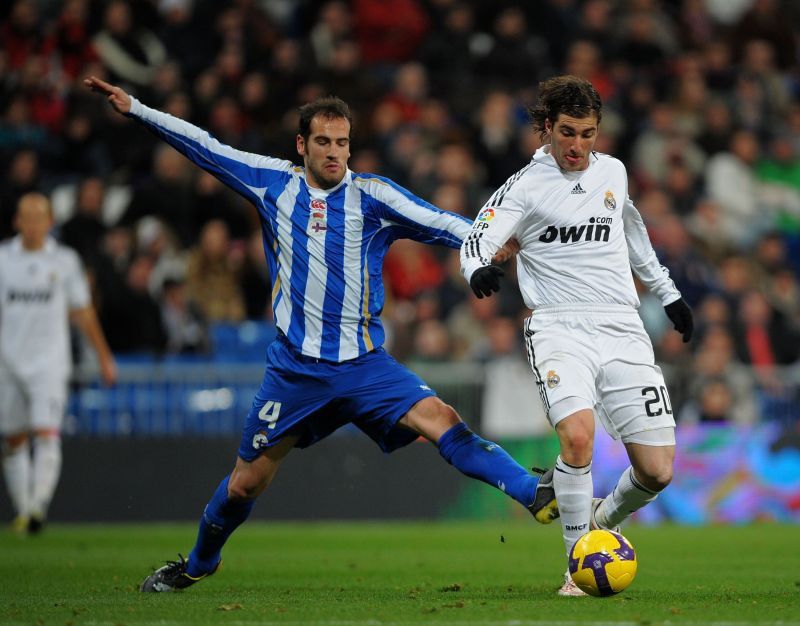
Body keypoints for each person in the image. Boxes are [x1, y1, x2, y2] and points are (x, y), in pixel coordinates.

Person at [83, 76, 555, 592]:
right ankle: (198, 563)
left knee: (441, 418)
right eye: (324, 142)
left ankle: (532, 492)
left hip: (365, 365)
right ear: (302, 145)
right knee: (245, 485)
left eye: (343, 142)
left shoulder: (373, 198)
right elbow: (205, 148)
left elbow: (442, 221)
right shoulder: (272, 183)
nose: (335, 153)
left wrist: (485, 252)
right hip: (296, 371)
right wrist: (138, 109)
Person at [460, 75, 694, 596]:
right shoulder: (525, 185)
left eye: (588, 134)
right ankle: (575, 564)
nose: (578, 146)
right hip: (558, 325)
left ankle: (600, 526)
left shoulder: (613, 172)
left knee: (657, 472)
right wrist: (476, 269)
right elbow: (478, 235)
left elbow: (633, 234)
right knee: (578, 437)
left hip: (623, 326)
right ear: (546, 129)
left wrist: (669, 293)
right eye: (568, 132)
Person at [0, 192, 117, 534]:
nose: (33, 224)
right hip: (8, 361)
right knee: (13, 439)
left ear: (50, 222)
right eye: (27, 217)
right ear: (16, 221)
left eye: (39, 217)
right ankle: (24, 511)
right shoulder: (4, 259)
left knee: (47, 431)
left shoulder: (64, 261)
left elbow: (83, 311)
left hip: (49, 362)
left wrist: (104, 358)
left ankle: (37, 508)